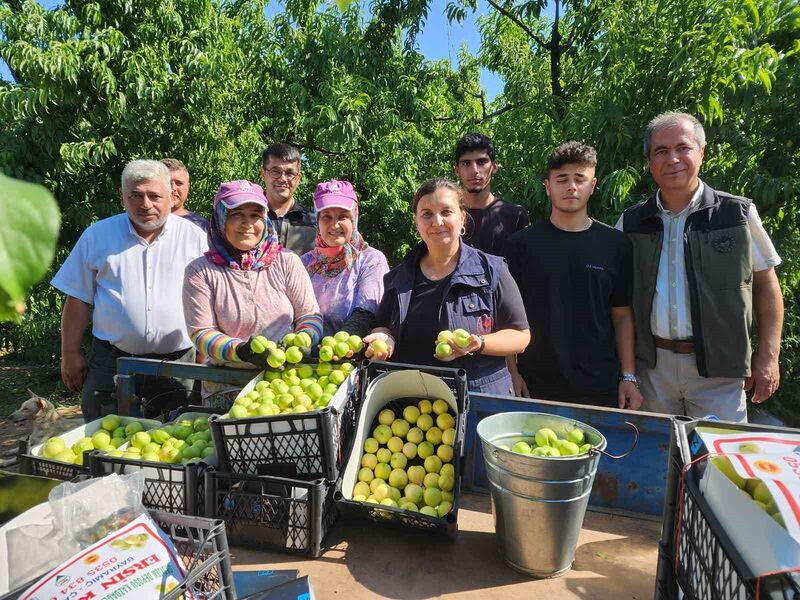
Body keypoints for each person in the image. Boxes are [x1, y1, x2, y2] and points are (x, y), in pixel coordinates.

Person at [617, 111, 783, 422]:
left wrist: (768, 356)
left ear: (702, 153)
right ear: (649, 161)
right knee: (657, 461)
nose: (673, 159)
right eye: (661, 151)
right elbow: (617, 300)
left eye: (683, 148)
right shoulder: (631, 222)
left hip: (719, 371)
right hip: (652, 370)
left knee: (719, 466)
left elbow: (767, 284)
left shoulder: (736, 214)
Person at [51, 159, 208, 421]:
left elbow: (208, 298)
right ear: (122, 197)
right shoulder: (97, 235)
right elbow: (78, 298)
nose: (145, 204)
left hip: (178, 363)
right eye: (135, 195)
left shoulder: (194, 237)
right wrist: (69, 354)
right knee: (105, 433)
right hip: (112, 361)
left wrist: (206, 352)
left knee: (176, 439)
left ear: (171, 195)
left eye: (154, 195)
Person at [506, 142, 643, 409]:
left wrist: (628, 376)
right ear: (548, 186)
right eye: (562, 179)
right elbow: (509, 316)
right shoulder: (521, 245)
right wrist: (512, 371)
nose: (571, 186)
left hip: (600, 385)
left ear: (593, 185)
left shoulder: (617, 244)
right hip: (535, 382)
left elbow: (622, 314)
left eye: (580, 179)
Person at [365, 178, 530, 395]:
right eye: (426, 214)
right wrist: (383, 337)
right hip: (414, 405)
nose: (437, 221)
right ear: (416, 223)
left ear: (462, 217)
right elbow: (384, 325)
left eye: (446, 212)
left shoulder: (493, 271)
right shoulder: (398, 278)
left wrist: (477, 343)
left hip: (477, 401)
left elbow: (521, 336)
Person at [182, 180, 322, 379]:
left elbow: (310, 315)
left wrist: (305, 338)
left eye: (255, 215)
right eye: (236, 214)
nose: (247, 224)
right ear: (221, 219)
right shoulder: (201, 272)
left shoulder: (287, 261)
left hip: (287, 381)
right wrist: (240, 351)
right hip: (226, 383)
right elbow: (201, 333)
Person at [301, 180, 389, 337]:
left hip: (351, 355)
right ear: (317, 220)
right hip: (305, 355)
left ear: (354, 218)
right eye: (326, 217)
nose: (335, 225)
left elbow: (365, 313)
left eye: (342, 217)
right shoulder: (305, 263)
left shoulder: (370, 260)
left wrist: (341, 343)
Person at [453, 133, 529, 257]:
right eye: (466, 163)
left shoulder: (515, 215)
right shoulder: (448, 216)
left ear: (494, 166)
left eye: (481, 162)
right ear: (457, 170)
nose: (475, 170)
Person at [259, 143, 316, 255]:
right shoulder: (250, 217)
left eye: (290, 173)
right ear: (263, 174)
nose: (282, 179)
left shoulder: (312, 222)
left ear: (298, 178)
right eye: (275, 172)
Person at [161, 158, 209, 233]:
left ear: (188, 187)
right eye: (168, 183)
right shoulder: (142, 224)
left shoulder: (201, 227)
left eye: (179, 183)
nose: (173, 188)